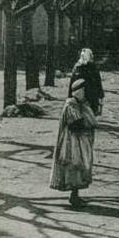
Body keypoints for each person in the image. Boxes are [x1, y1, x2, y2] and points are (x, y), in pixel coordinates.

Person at [50, 79, 97, 208]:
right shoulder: (71, 104)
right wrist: (87, 125)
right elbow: (76, 124)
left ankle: (75, 195)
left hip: (79, 140)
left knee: (78, 167)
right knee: (74, 165)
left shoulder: (81, 104)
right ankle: (74, 197)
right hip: (71, 141)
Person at [69, 48, 104, 116]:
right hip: (91, 93)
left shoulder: (76, 66)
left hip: (77, 93)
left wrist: (70, 94)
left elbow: (72, 81)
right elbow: (98, 81)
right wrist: (101, 94)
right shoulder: (92, 66)